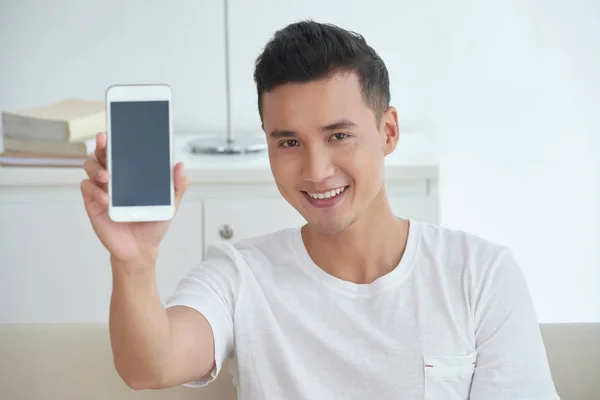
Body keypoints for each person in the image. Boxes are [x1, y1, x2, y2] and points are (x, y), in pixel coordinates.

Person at [81, 20, 559, 400]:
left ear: (388, 132)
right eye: (289, 141)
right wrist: (133, 263)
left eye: (339, 135)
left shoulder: (481, 275)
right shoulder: (238, 276)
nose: (315, 170)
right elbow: (151, 367)